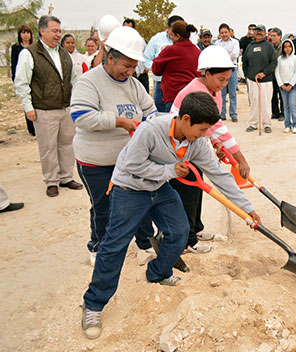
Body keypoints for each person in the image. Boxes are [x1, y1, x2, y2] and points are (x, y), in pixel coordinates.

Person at [80, 92, 261, 340]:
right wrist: (169, 170)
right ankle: (93, 304)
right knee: (114, 245)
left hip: (159, 187)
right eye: (202, 129)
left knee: (180, 231)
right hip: (129, 188)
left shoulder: (196, 142)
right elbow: (131, 164)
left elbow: (220, 175)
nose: (205, 135)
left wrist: (247, 208)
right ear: (185, 119)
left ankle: (158, 272)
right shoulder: (151, 130)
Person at [70, 26, 157, 266]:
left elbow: (151, 112)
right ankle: (98, 247)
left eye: (133, 67)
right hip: (96, 161)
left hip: (128, 159)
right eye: (126, 66)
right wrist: (119, 122)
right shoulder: (89, 82)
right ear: (110, 57)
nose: (129, 72)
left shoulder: (134, 85)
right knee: (104, 206)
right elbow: (81, 116)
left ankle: (144, 243)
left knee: (139, 201)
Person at [170, 45, 251, 253]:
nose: (224, 85)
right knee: (187, 192)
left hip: (197, 143)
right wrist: (240, 159)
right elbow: (220, 129)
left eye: (227, 80)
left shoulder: (212, 91)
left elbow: (210, 126)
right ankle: (187, 241)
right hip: (180, 147)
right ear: (206, 73)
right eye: (221, 79)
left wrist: (216, 144)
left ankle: (195, 228)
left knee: (197, 189)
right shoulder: (197, 91)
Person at [14, 15, 83, 197]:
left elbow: (73, 80)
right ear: (42, 31)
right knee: (48, 147)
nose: (58, 35)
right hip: (43, 109)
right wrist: (28, 107)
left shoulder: (63, 53)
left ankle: (66, 177)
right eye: (54, 31)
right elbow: (21, 83)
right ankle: (52, 181)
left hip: (66, 108)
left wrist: (76, 102)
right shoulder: (29, 54)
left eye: (59, 31)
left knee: (67, 144)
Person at [152, 20, 201, 112]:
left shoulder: (169, 50)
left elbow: (156, 70)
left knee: (171, 125)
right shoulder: (197, 52)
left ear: (177, 36)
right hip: (193, 97)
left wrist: (161, 53)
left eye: (171, 35)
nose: (170, 37)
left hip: (173, 96)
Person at [144, 15, 184, 112]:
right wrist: (158, 69)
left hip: (181, 85)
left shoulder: (186, 41)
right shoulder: (156, 40)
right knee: (162, 115)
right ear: (168, 27)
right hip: (160, 84)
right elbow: (146, 59)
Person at [242, 24, 277, 134]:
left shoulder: (269, 46)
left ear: (265, 33)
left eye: (261, 31)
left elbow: (273, 62)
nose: (258, 33)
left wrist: (264, 73)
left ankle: (267, 124)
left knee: (266, 103)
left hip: (266, 80)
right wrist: (247, 75)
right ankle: (253, 123)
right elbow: (245, 62)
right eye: (257, 31)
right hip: (252, 80)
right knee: (253, 102)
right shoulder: (250, 46)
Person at [11, 24, 35, 136]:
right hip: (23, 77)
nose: (26, 35)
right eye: (23, 33)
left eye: (28, 33)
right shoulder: (16, 48)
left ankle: (36, 126)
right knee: (27, 102)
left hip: (34, 78)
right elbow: (14, 65)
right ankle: (30, 128)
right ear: (20, 35)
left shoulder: (34, 47)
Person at [215, 23, 240, 122]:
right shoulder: (217, 43)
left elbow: (235, 54)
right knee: (222, 94)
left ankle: (233, 114)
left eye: (226, 32)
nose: (224, 34)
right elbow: (216, 55)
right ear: (219, 34)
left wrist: (223, 54)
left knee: (233, 93)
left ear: (229, 32)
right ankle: (222, 113)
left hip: (232, 70)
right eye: (222, 33)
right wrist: (227, 53)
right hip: (220, 70)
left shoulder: (235, 42)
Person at [275, 39, 296, 133]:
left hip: (293, 85)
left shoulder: (295, 58)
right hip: (283, 86)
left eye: (289, 46)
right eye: (285, 47)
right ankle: (287, 124)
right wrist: (281, 84)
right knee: (285, 106)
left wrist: (291, 84)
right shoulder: (279, 59)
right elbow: (277, 72)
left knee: (292, 104)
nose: (287, 48)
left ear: (292, 47)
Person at [123, 18, 149, 93]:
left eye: (129, 28)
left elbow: (147, 53)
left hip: (141, 73)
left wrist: (146, 68)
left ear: (134, 29)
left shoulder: (140, 40)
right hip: (128, 74)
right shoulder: (120, 42)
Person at [270, 27, 284, 121]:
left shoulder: (284, 46)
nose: (272, 37)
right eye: (271, 35)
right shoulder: (269, 46)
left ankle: (283, 113)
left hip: (282, 74)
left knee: (282, 95)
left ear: (280, 36)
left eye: (274, 36)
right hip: (271, 74)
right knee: (273, 94)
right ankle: (275, 112)